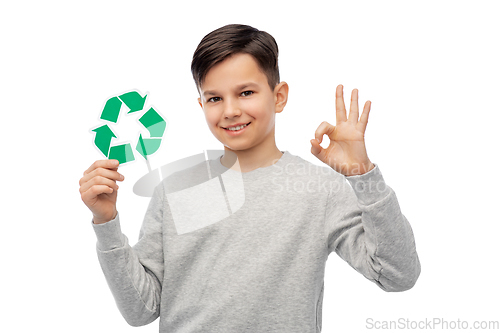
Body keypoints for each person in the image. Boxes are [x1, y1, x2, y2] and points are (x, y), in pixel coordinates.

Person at [79, 24, 420, 332]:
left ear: (279, 96)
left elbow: (397, 275)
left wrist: (365, 177)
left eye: (246, 93)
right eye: (215, 98)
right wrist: (105, 220)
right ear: (201, 106)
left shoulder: (319, 189)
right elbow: (141, 309)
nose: (230, 111)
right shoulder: (175, 190)